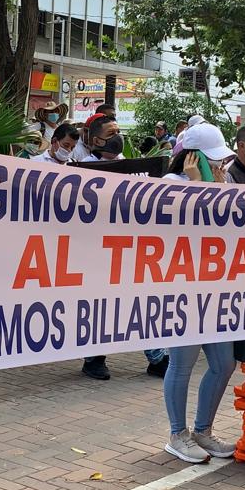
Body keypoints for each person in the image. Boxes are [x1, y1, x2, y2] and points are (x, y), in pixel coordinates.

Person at [159, 126, 238, 463]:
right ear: (191, 158)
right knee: (182, 364)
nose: (220, 165)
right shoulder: (170, 186)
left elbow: (231, 225)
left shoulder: (223, 183)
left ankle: (203, 431)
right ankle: (178, 434)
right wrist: (199, 187)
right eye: (212, 160)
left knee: (225, 363)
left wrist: (213, 185)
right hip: (182, 289)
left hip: (216, 289)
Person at [78, 113, 167, 379]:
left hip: (128, 248)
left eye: (118, 131)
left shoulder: (132, 168)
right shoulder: (81, 168)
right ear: (96, 140)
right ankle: (94, 358)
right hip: (95, 250)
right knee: (100, 306)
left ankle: (156, 357)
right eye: (111, 133)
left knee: (138, 303)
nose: (117, 137)